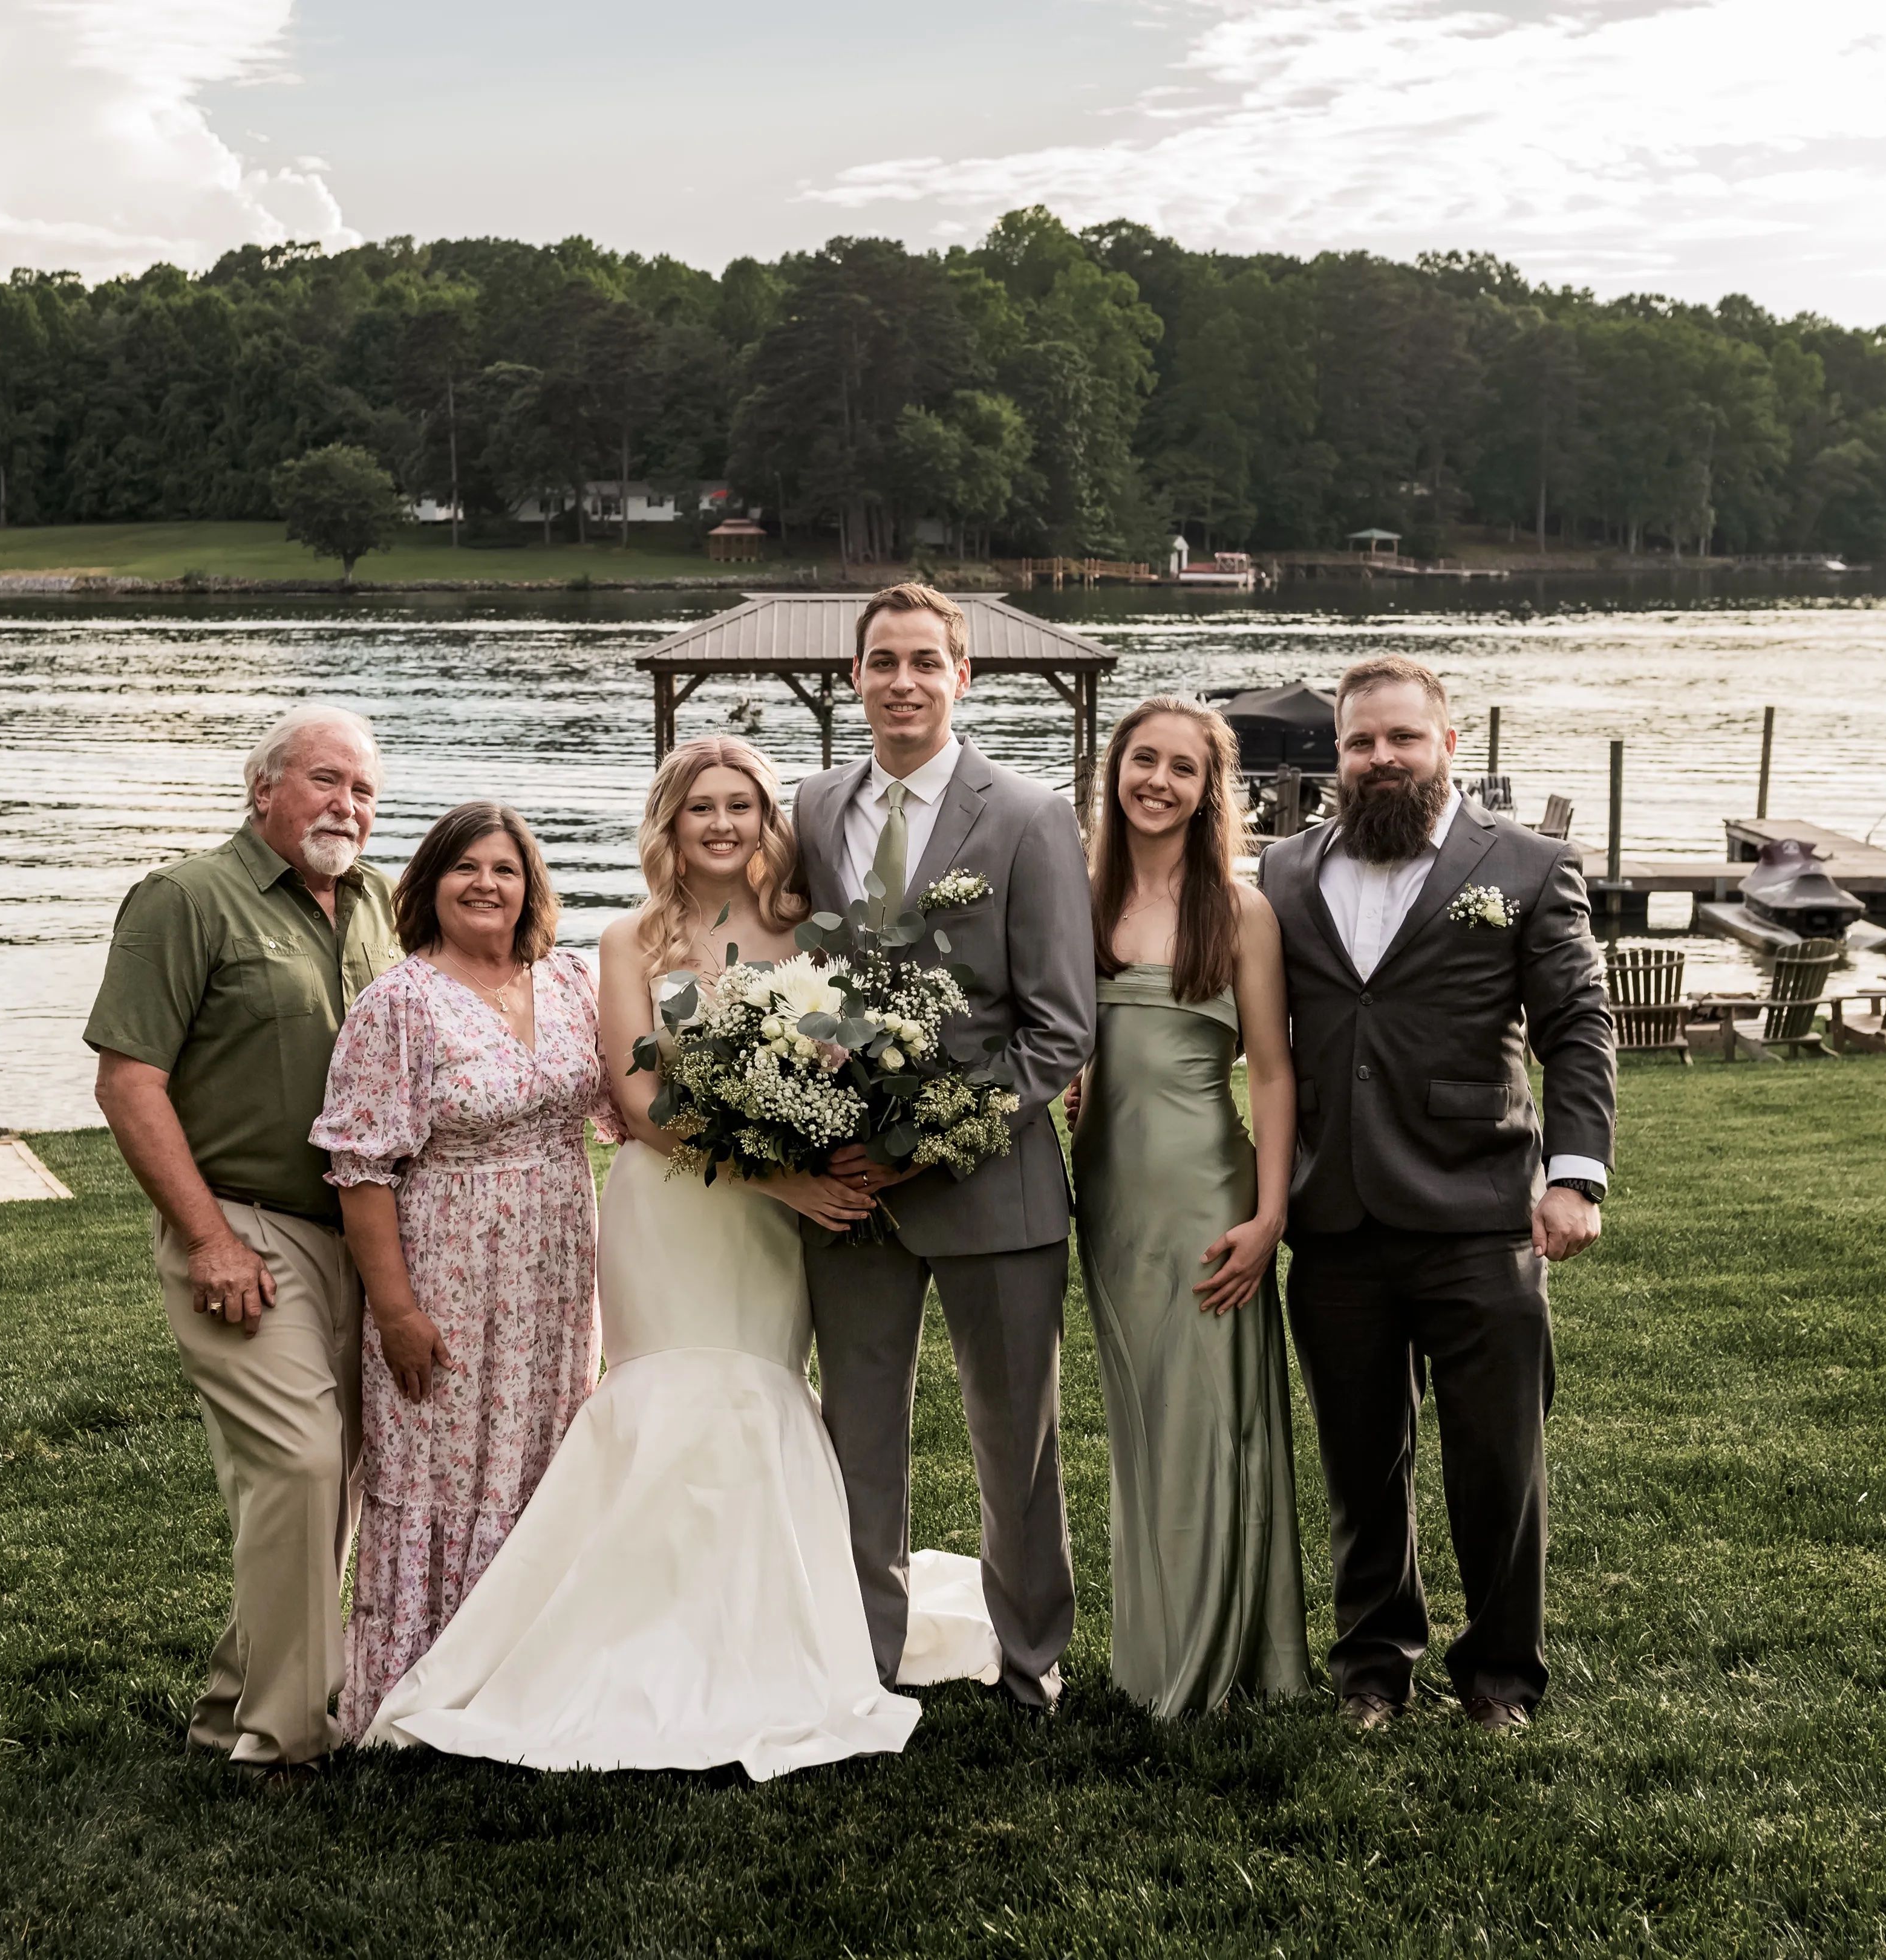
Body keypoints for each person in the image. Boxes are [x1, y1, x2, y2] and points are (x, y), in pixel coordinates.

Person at [361, 737, 1000, 1777]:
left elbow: (852, 1062)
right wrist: (777, 1178)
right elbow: (637, 1100)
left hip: (767, 1231)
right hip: (671, 1207)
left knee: (756, 1393)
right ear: (670, 822)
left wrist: (820, 1143)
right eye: (699, 805)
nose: (721, 822)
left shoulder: (811, 936)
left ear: (766, 820)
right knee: (660, 1400)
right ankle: (616, 1633)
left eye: (741, 804)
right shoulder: (629, 940)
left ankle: (760, 1628)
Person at [1255, 653, 1615, 1734]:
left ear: (1448, 745)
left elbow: (1578, 1028)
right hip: (1336, 1217)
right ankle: (1374, 1667)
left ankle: (1501, 1677)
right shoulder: (1280, 872)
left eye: (1403, 738)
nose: (1381, 758)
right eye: (1362, 741)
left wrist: (1575, 1175)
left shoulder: (1530, 865)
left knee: (1497, 1465)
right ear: (1339, 751)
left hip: (1479, 1210)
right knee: (1361, 1467)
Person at [788, 582, 1097, 1714]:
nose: (903, 682)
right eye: (883, 662)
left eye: (926, 661)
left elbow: (1059, 1026)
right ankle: (865, 1661)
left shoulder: (1025, 816)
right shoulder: (812, 809)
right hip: (847, 1195)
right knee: (855, 1435)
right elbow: (794, 983)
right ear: (855, 678)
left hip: (994, 1184)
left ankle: (1031, 1665)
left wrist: (933, 1145)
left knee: (1014, 1440)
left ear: (962, 678)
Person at [83, 705, 400, 1768]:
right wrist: (209, 1237)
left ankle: (232, 1703)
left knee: (326, 1479)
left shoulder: (382, 905)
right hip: (245, 1230)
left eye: (362, 790)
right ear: (262, 788)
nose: (346, 806)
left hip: (361, 1235)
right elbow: (130, 1083)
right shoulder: (185, 899)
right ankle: (282, 1743)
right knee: (304, 1463)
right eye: (324, 781)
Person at [310, 801, 608, 1740]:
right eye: (465, 868)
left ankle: (533, 1676)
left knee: (544, 1455)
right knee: (445, 1464)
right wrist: (394, 1310)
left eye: (506, 869)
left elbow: (623, 1108)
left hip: (559, 1272)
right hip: (448, 1267)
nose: (487, 884)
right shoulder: (398, 1002)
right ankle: (423, 1687)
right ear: (429, 885)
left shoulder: (568, 981)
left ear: (532, 888)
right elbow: (361, 1170)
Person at [1065, 697, 1310, 1719]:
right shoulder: (1078, 899)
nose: (1158, 781)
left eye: (1183, 768)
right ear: (1114, 773)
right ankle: (1148, 1648)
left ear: (1213, 790)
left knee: (1212, 1417)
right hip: (1109, 1198)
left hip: (1210, 1192)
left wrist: (1270, 1215)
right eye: (1142, 761)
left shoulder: (1240, 909)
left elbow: (1272, 1075)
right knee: (1142, 1419)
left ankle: (1216, 1661)